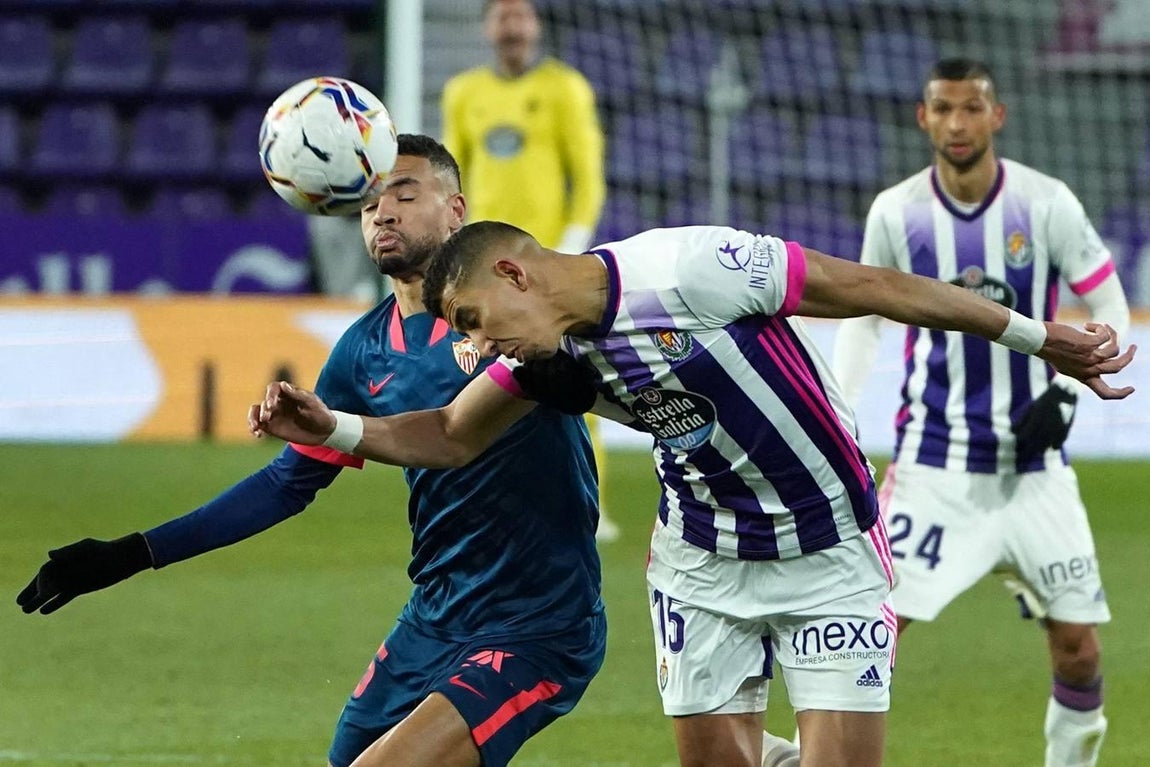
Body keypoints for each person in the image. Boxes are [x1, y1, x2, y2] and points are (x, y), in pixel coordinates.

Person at [249, 219, 1134, 767]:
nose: (476, 348)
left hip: (829, 552)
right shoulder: (549, 355)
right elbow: (447, 432)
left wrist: (1039, 337)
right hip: (702, 567)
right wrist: (331, 427)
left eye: (474, 324)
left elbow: (875, 287)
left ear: (516, 274)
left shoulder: (690, 265)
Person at [16, 135, 607, 767]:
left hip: (538, 622)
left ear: (456, 210)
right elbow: (284, 485)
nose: (383, 213)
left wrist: (562, 375)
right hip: (435, 614)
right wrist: (135, 552)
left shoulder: (515, 313)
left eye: (404, 194)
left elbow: (585, 379)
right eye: (368, 204)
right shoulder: (363, 350)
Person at [830, 58, 1131, 767]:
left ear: (997, 117)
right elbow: (863, 319)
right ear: (923, 117)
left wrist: (1062, 395)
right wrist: (840, 414)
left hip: (1036, 472)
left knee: (1080, 648)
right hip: (934, 463)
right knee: (869, 633)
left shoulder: (1045, 202)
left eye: (971, 109)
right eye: (943, 109)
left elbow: (1109, 300)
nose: (957, 123)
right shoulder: (896, 211)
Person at [441, 0, 620, 542]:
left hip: (545, 266)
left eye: (521, 15)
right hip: (483, 271)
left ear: (536, 26)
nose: (512, 26)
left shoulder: (566, 89)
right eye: (503, 16)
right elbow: (454, 181)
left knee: (577, 382)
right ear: (489, 27)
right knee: (479, 381)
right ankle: (494, 506)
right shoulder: (463, 93)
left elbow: (588, 179)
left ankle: (593, 504)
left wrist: (567, 250)